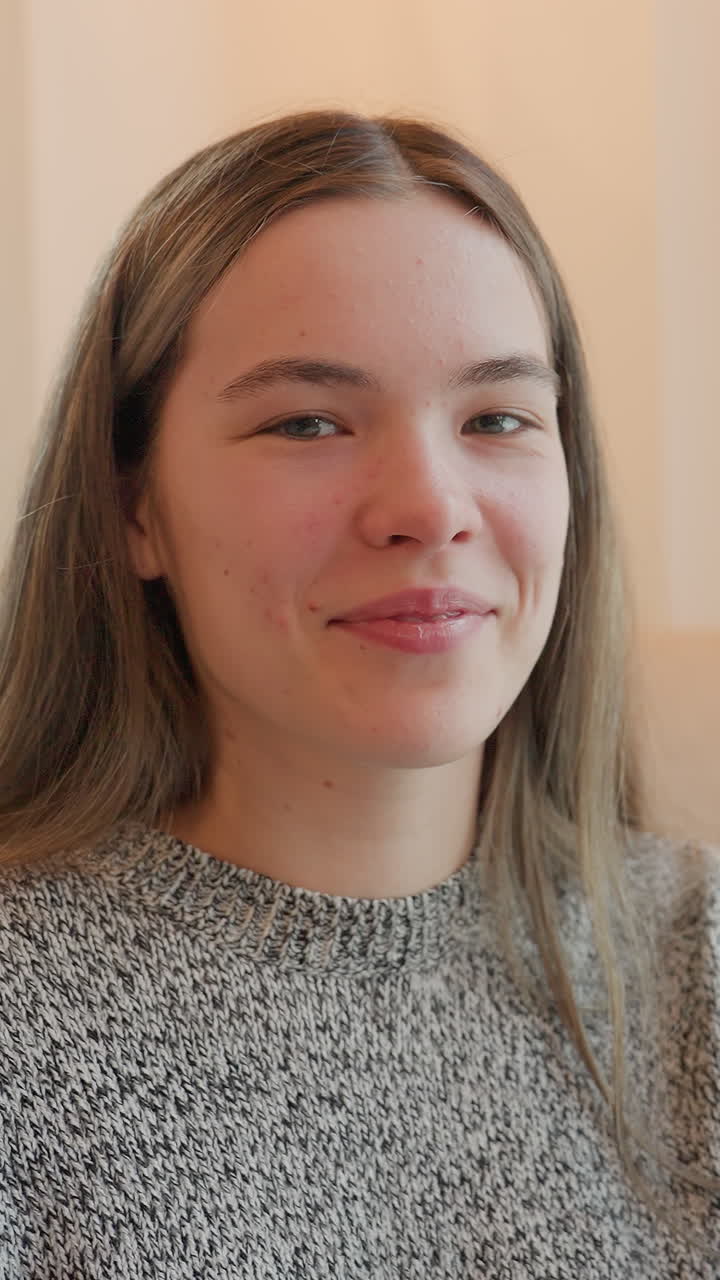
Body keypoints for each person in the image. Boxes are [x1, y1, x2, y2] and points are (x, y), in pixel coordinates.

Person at [0, 108, 717, 1278]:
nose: (429, 505)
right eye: (308, 421)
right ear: (135, 505)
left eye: (496, 416)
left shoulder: (699, 957)